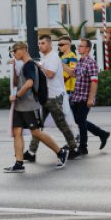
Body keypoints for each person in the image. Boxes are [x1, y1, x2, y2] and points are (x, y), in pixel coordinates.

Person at [4, 41, 68, 172]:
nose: (14, 54)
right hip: (21, 106)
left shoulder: (29, 65)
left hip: (30, 105)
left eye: (15, 51)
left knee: (36, 132)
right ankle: (19, 164)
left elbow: (29, 84)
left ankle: (60, 152)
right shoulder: (24, 65)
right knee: (17, 132)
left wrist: (16, 96)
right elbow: (18, 82)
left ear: (23, 49)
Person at [24, 34, 79, 162]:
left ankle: (74, 148)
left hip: (54, 96)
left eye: (43, 43)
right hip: (45, 96)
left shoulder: (53, 57)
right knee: (38, 126)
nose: (40, 46)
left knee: (61, 124)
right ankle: (31, 152)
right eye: (39, 43)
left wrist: (39, 66)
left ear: (49, 44)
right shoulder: (45, 58)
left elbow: (50, 74)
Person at [68, 38, 111, 154]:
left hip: (85, 98)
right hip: (76, 97)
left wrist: (91, 98)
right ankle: (102, 134)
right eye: (78, 46)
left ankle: (83, 147)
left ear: (87, 49)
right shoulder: (80, 61)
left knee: (81, 121)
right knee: (78, 120)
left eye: (81, 46)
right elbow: (73, 74)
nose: (78, 48)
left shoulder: (91, 63)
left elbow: (94, 81)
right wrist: (61, 64)